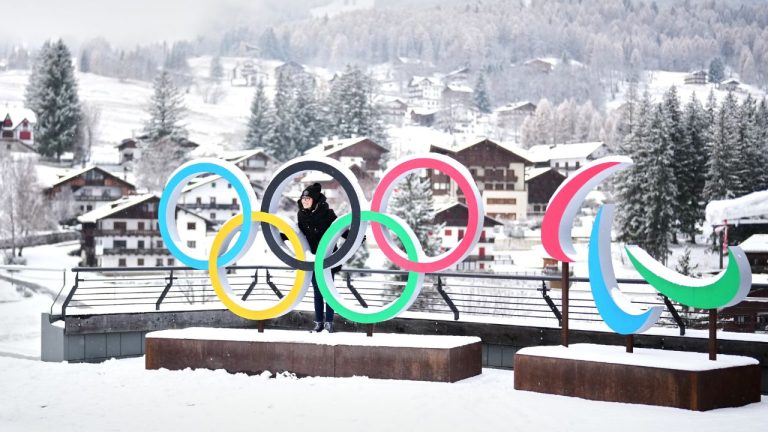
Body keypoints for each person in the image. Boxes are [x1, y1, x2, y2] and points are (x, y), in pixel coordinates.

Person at [295, 183, 342, 333]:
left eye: (308, 198)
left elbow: (339, 228)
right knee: (317, 291)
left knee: (328, 290)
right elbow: (299, 231)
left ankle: (329, 322)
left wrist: (354, 237)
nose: (305, 201)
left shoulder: (327, 213)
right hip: (313, 258)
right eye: (303, 198)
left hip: (328, 258)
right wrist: (283, 236)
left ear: (314, 200)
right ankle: (319, 322)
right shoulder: (301, 215)